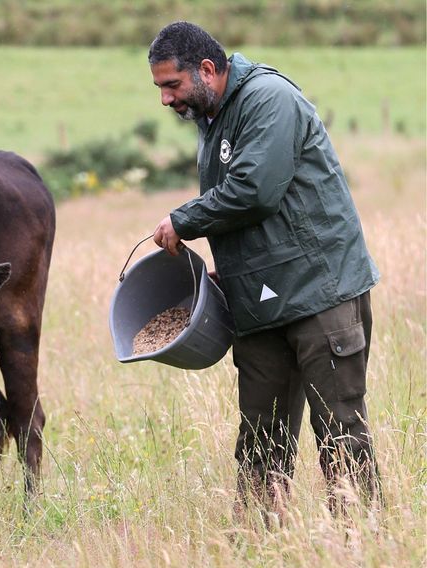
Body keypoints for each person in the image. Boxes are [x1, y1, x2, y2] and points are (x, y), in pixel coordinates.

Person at [146, 21, 381, 518]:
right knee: (259, 441)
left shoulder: (269, 99)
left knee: (341, 433)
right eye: (160, 89)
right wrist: (224, 275)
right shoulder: (211, 122)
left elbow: (255, 192)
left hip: (322, 294)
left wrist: (182, 220)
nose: (166, 100)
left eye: (172, 85)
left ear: (207, 70)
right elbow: (247, 218)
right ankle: (255, 551)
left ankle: (365, 551)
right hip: (260, 302)